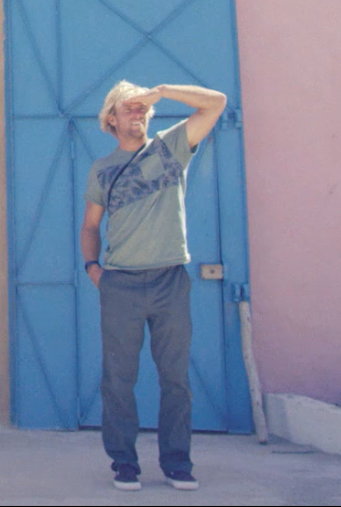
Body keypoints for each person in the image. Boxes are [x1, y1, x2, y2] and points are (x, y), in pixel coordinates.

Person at [79, 81, 226, 493]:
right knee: (118, 379)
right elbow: (90, 226)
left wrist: (161, 91)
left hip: (169, 280)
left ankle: (177, 463)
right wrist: (93, 269)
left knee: (175, 378)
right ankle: (124, 464)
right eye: (128, 108)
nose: (137, 113)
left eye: (141, 107)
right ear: (111, 119)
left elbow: (216, 103)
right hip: (121, 283)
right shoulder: (102, 169)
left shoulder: (170, 147)